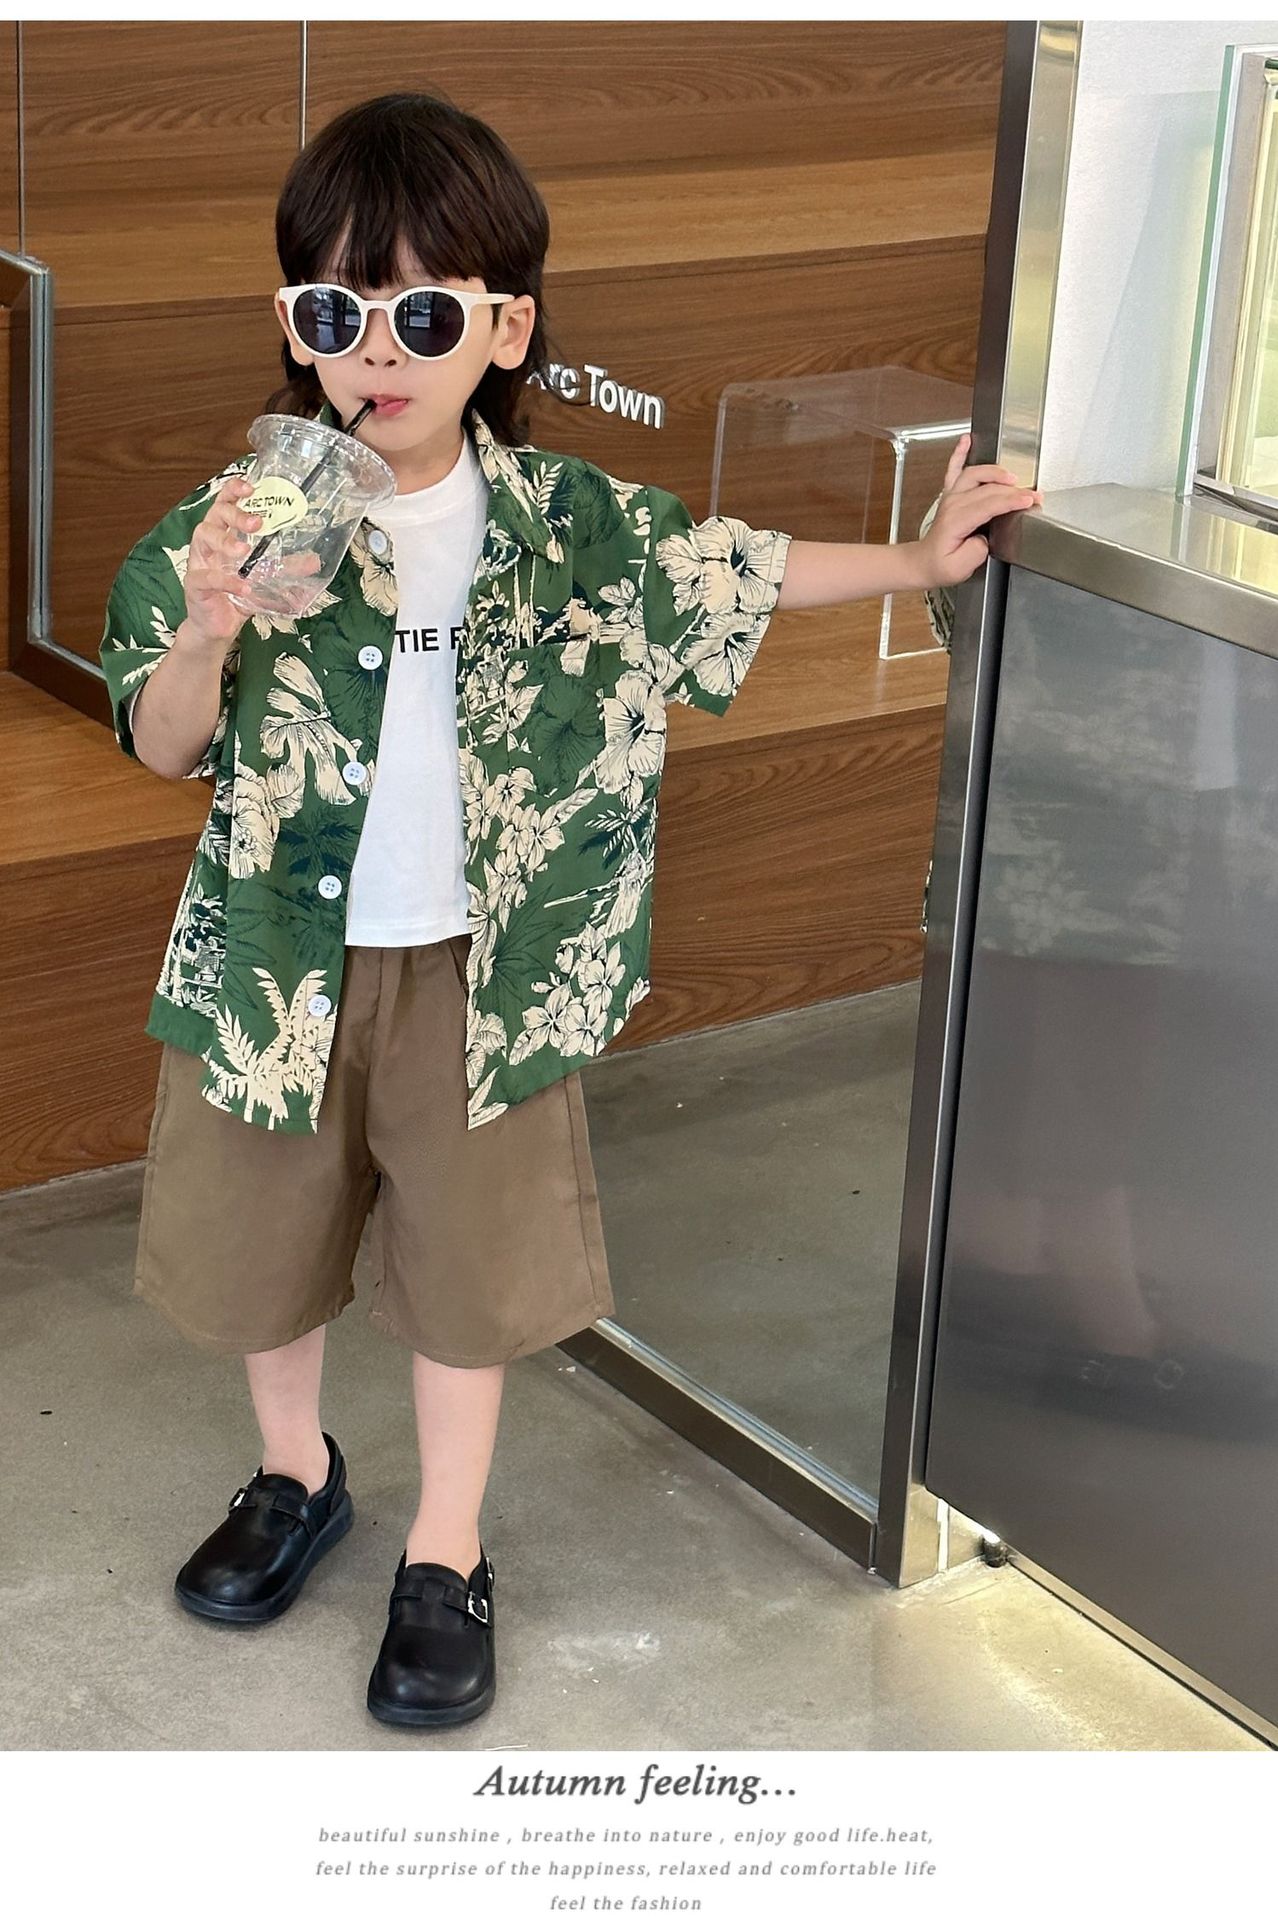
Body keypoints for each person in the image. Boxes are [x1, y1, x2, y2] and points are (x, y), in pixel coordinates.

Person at [98, 90, 1037, 1732]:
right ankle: (293, 1472)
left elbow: (733, 565)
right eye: (334, 310)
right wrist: (206, 629)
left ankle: (446, 1549)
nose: (375, 351)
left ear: (506, 327)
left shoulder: (569, 528)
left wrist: (915, 562)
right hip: (271, 963)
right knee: (258, 1250)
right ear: (292, 328)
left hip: (488, 974)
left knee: (472, 1273)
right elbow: (163, 743)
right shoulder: (223, 532)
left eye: (423, 314)